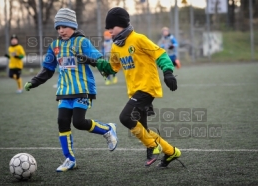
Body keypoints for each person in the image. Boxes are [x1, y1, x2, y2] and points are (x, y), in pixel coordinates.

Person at [76, 7, 183, 168]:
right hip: (135, 91)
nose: (109, 31)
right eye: (108, 28)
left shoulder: (138, 39)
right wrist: (91, 60)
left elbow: (160, 53)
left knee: (125, 118)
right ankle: (171, 151)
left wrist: (168, 72)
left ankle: (153, 146)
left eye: (112, 27)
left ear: (122, 24)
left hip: (147, 88)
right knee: (144, 130)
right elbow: (112, 68)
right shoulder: (116, 47)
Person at [23, 8, 118, 172]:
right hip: (64, 91)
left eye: (64, 27)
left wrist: (89, 59)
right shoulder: (55, 46)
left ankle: (108, 130)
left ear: (73, 26)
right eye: (58, 28)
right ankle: (69, 159)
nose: (61, 30)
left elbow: (99, 59)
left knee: (79, 122)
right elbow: (47, 69)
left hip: (82, 89)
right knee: (62, 122)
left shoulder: (82, 42)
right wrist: (34, 81)